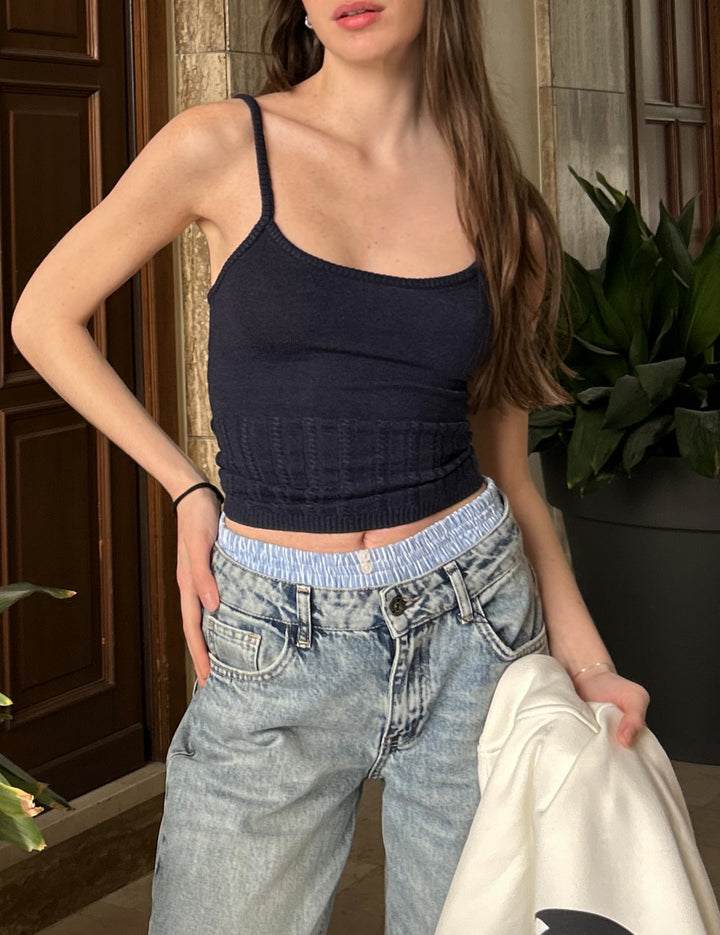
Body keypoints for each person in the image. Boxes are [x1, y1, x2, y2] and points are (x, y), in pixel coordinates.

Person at [10, 2, 650, 933]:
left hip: (472, 622)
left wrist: (589, 664)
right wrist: (187, 486)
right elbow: (44, 317)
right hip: (273, 636)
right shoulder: (220, 145)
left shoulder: (507, 210)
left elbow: (511, 478)